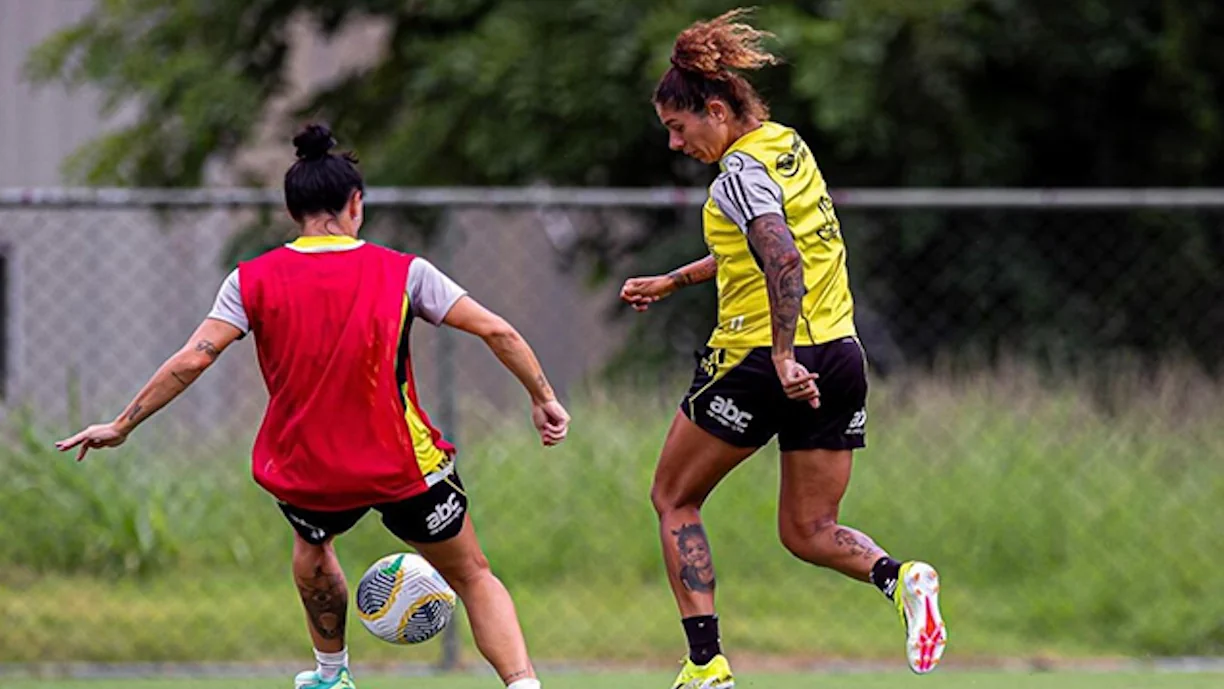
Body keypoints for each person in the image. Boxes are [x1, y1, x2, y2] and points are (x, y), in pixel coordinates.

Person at [56, 124, 570, 689]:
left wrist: (122, 424)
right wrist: (542, 398)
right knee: (472, 574)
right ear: (356, 204)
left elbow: (191, 360)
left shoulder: (249, 280)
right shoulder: (403, 272)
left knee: (313, 546)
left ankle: (332, 674)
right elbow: (498, 332)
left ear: (291, 209)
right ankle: (523, 685)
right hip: (403, 463)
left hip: (311, 469)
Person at [620, 9, 947, 688]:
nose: (677, 145)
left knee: (673, 496)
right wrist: (675, 279)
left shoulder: (737, 171)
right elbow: (762, 245)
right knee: (808, 528)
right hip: (841, 355)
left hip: (760, 360)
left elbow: (782, 256)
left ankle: (706, 664)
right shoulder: (787, 145)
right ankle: (902, 578)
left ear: (715, 108)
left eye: (680, 129)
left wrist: (778, 354)